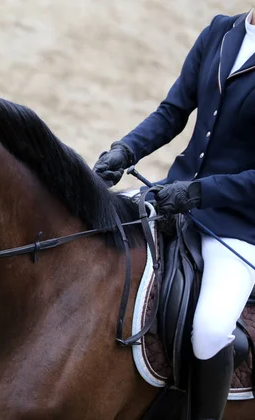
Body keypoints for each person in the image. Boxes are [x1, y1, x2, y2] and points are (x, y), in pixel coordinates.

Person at [93, 9, 255, 420]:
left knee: (212, 329)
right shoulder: (222, 30)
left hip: (237, 224)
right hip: (173, 195)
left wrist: (200, 192)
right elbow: (172, 111)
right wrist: (125, 151)